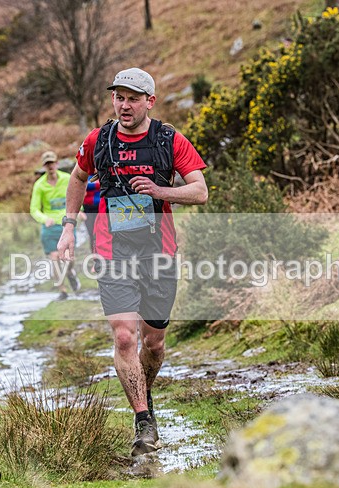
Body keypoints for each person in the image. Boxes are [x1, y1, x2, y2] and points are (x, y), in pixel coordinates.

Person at [57, 67, 208, 456]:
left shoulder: (168, 139)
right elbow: (78, 177)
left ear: (150, 102)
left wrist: (160, 190)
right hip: (112, 251)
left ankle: (143, 392)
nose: (124, 106)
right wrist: (68, 227)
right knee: (124, 336)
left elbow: (200, 191)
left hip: (159, 252)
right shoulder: (99, 139)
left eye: (133, 99)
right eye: (119, 97)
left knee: (153, 344)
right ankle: (143, 421)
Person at [29, 150, 81, 300]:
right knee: (55, 258)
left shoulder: (67, 179)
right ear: (44, 167)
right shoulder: (39, 185)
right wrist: (44, 219)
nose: (50, 166)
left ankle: (70, 272)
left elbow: (76, 197)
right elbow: (34, 209)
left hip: (67, 224)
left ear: (57, 163)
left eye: (52, 163)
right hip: (50, 227)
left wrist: (80, 211)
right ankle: (62, 290)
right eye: (47, 164)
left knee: (69, 258)